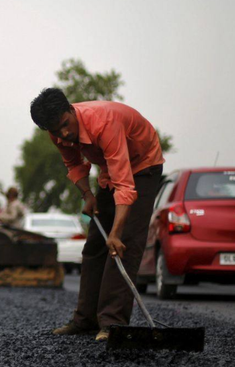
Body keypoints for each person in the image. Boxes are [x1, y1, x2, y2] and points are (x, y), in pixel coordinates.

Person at [30, 88, 164, 342]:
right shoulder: (56, 131)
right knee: (94, 246)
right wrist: (87, 196)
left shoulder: (104, 123)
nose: (65, 134)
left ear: (71, 110)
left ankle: (113, 322)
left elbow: (125, 185)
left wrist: (116, 232)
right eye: (56, 131)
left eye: (65, 125)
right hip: (110, 168)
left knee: (123, 244)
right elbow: (74, 164)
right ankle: (86, 319)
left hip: (143, 165)